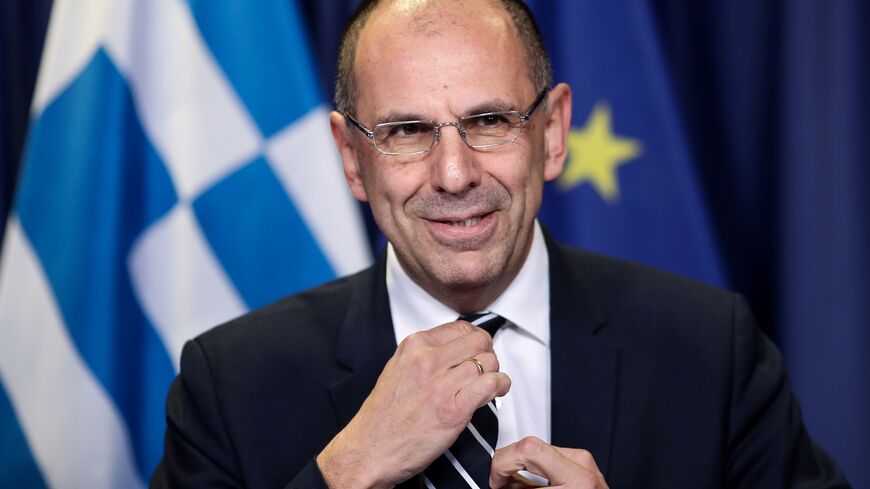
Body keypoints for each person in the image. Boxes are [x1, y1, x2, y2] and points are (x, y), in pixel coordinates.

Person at [151, 0, 849, 488]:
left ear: (552, 132)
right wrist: (345, 474)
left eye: (489, 120)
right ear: (349, 157)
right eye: (405, 131)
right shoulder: (231, 382)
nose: (454, 174)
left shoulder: (709, 350)